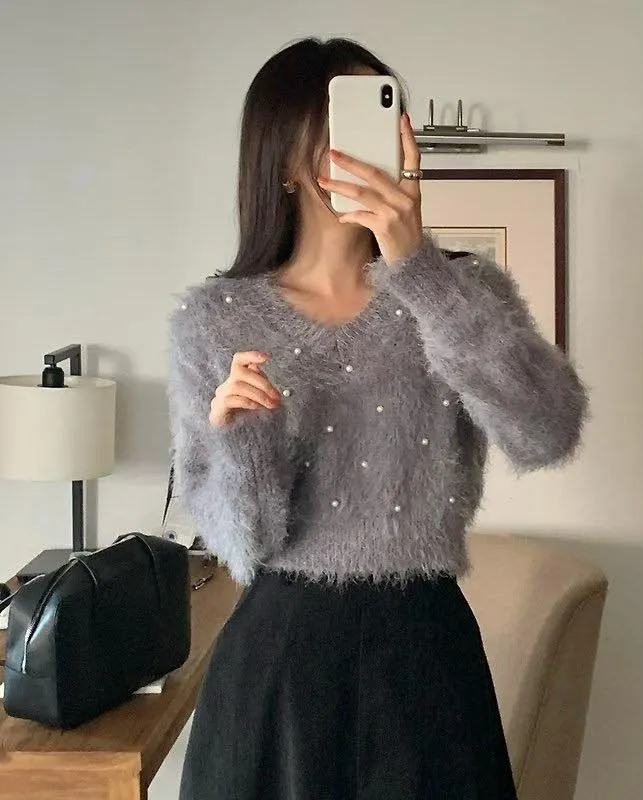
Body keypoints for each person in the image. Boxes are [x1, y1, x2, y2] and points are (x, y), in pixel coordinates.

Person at [168, 36, 588, 800]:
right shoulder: (214, 319)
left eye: (383, 117)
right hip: (278, 656)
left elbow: (549, 429)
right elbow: (242, 546)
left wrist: (417, 268)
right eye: (339, 122)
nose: (370, 146)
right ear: (284, 157)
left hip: (424, 646)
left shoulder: (459, 289)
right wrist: (248, 443)